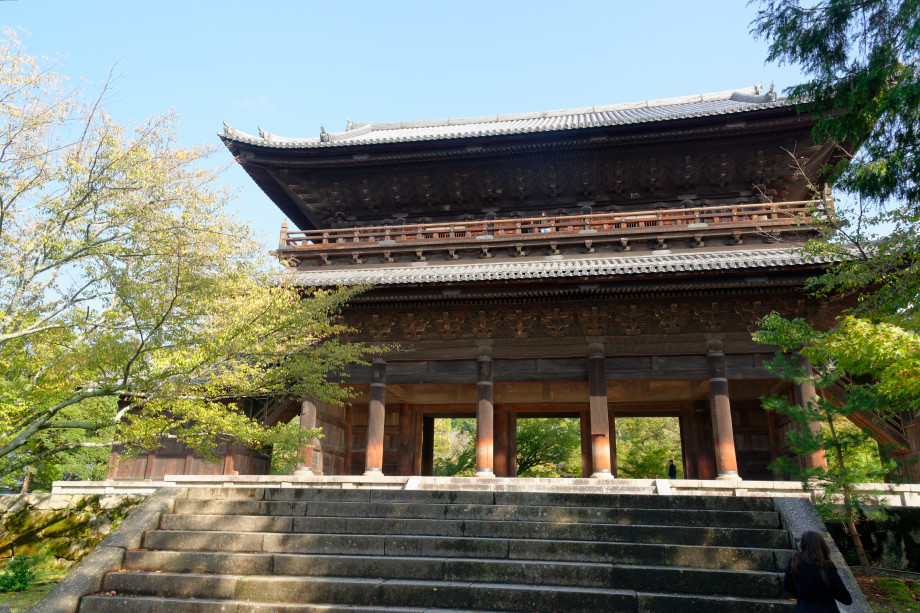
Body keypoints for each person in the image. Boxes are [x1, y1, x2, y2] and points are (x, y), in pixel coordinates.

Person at [783, 531, 852, 612]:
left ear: (803, 545)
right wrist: (827, 595)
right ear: (822, 545)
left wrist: (803, 595)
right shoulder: (827, 566)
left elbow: (786, 586)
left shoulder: (794, 561)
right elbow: (846, 598)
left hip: (803, 608)